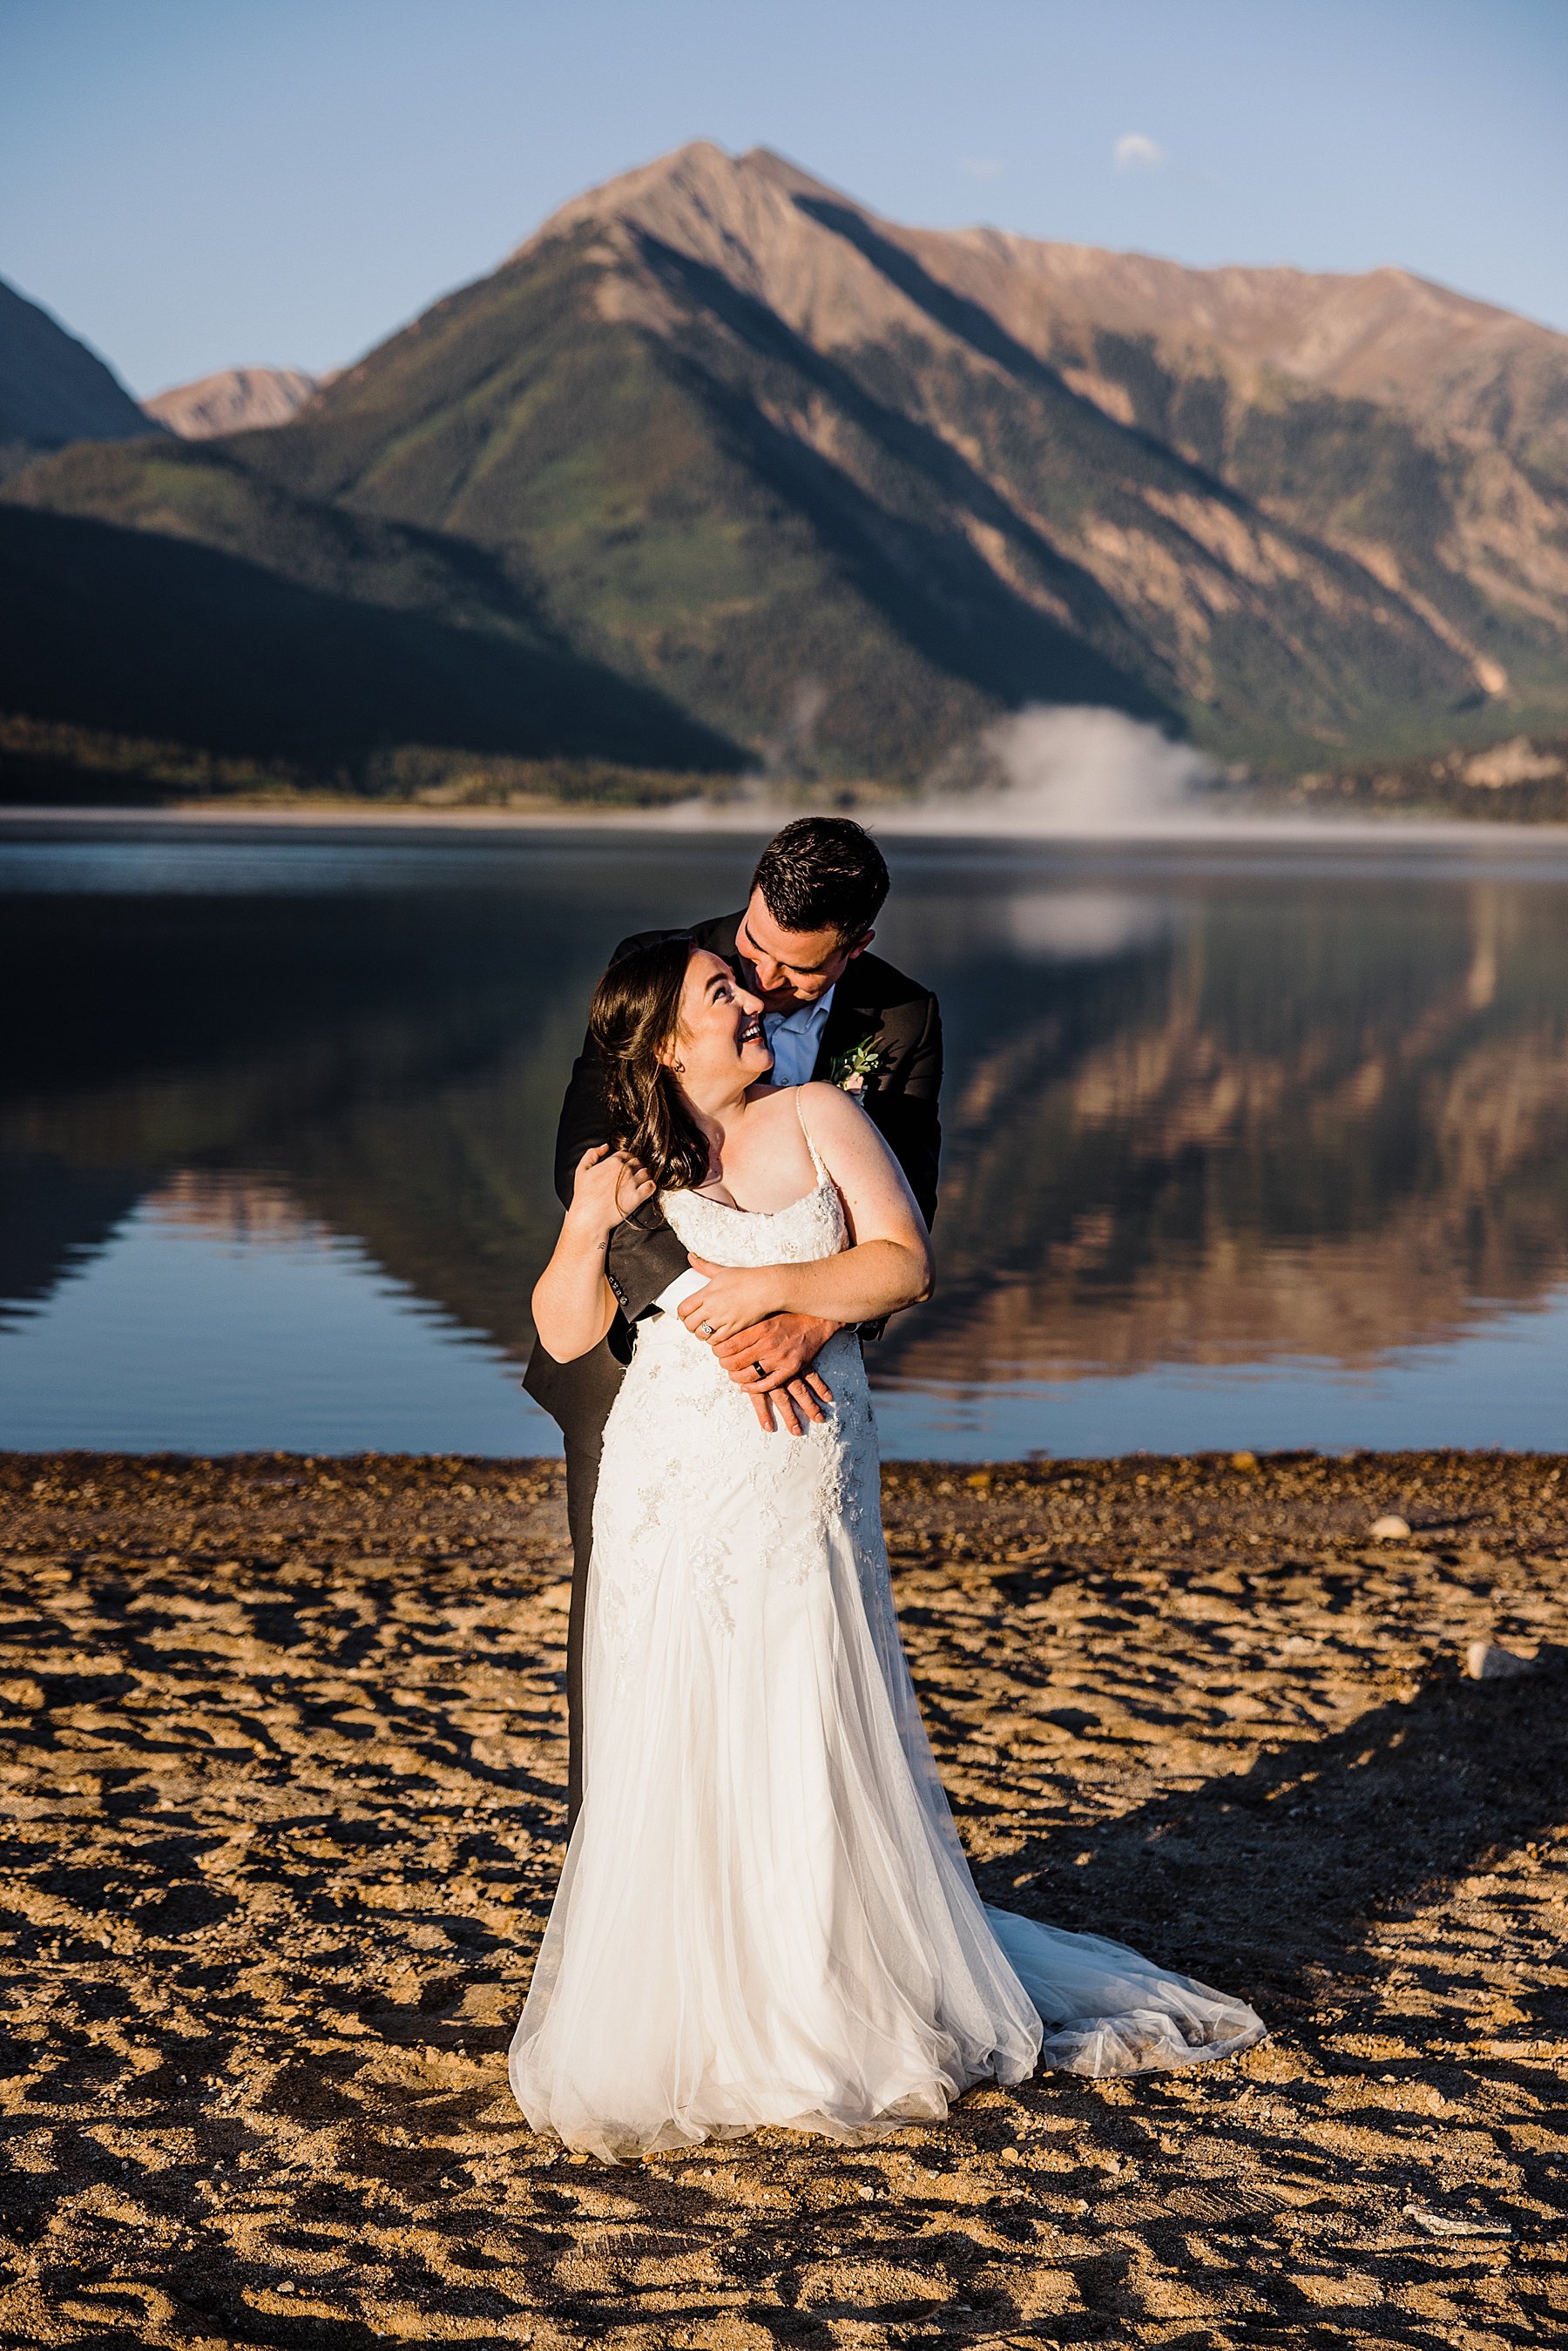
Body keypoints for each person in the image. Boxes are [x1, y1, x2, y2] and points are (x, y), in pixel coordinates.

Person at [509, 934, 1265, 2158]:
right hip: (672, 1460)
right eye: (722, 992)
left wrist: (771, 1295)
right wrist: (587, 1219)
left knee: (803, 1693)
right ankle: (691, 1991)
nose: (752, 1000)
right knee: (681, 1700)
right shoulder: (629, 1162)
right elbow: (567, 1324)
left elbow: (904, 1261)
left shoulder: (816, 1110)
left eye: (744, 984)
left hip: (799, 1452)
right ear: (662, 1038)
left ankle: (821, 1995)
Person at [524, 818, 943, 1827]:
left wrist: (805, 1318)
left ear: (857, 946)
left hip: (801, 1371)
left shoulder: (901, 1019)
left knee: (795, 1634)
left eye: (788, 970)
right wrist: (720, 1310)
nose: (756, 984)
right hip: (645, 1360)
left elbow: (904, 1210)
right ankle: (615, 1850)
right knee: (633, 1615)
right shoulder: (661, 976)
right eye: (746, 952)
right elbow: (589, 1164)